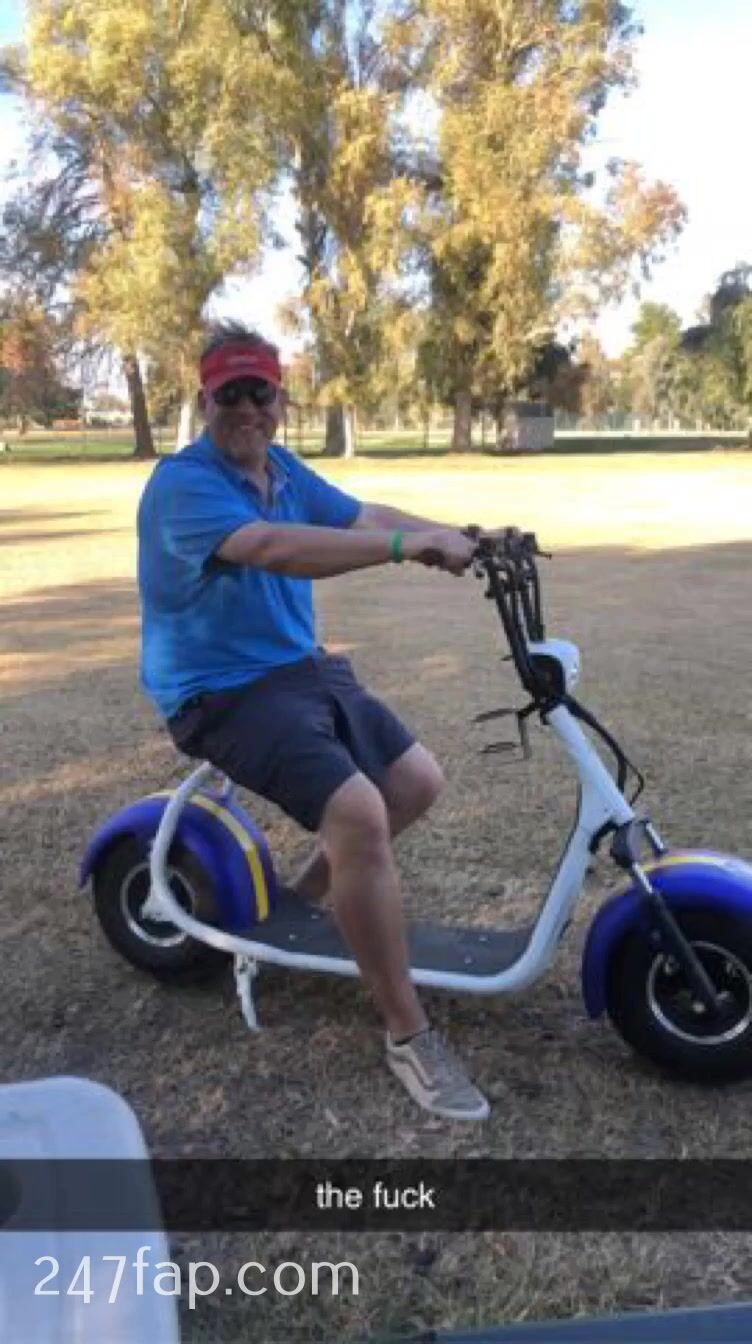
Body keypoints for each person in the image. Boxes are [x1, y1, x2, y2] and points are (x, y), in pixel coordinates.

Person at [137, 319, 501, 1122]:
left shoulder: (284, 468)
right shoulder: (182, 484)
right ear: (204, 399)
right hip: (219, 692)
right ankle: (408, 1033)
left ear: (280, 398)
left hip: (297, 668)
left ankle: (297, 902)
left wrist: (456, 535)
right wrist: (409, 547)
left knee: (415, 782)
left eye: (258, 393)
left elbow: (358, 514)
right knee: (359, 811)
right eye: (228, 394)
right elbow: (272, 547)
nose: (245, 408)